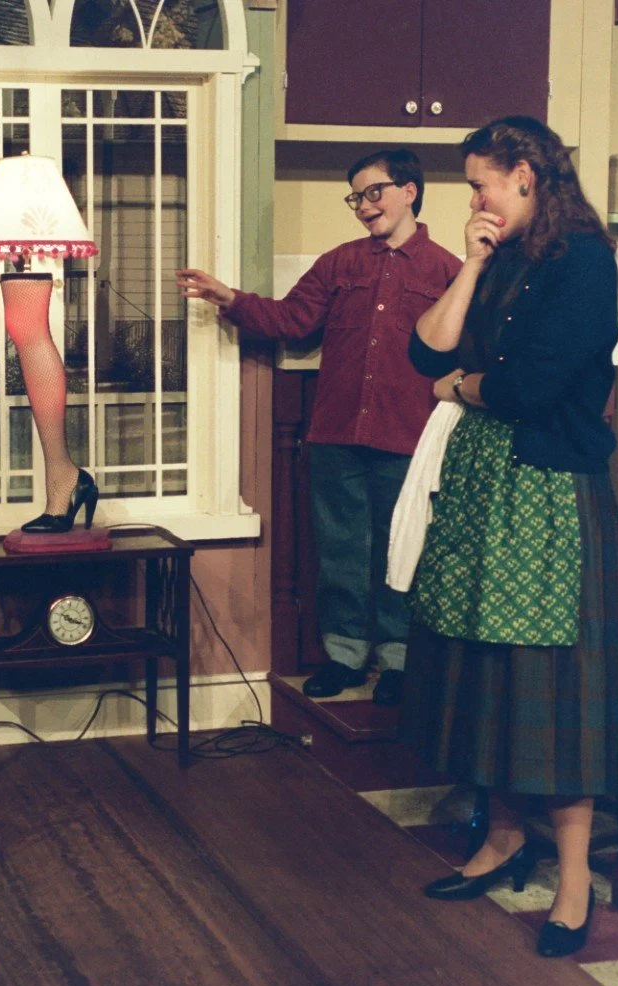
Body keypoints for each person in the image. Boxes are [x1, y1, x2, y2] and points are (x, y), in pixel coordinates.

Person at [401, 116, 618, 958]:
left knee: (553, 691)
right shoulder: (503, 262)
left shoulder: (584, 263)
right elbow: (425, 355)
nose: (477, 198)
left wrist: (465, 385)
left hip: (550, 496)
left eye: (482, 183)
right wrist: (472, 260)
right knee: (489, 673)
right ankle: (501, 840)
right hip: (485, 491)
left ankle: (572, 882)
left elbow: (531, 388)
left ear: (527, 174)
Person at [176, 150, 460, 705]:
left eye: (373, 192)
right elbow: (292, 320)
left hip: (410, 439)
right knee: (341, 550)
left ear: (409, 191)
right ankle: (346, 657)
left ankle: (400, 661)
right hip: (335, 435)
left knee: (403, 551)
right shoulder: (339, 264)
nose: (363, 206)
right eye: (356, 197)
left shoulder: (448, 270)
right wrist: (230, 299)